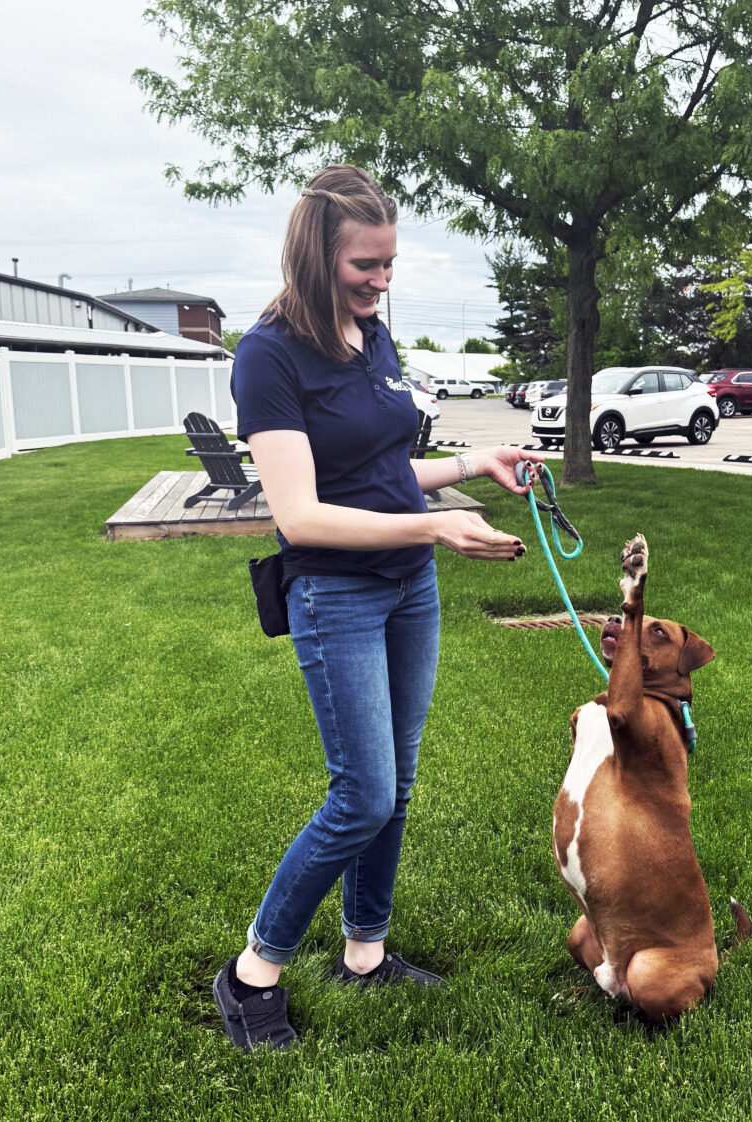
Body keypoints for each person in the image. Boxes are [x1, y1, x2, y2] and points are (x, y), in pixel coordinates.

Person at [212, 164, 543, 1052]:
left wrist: (477, 466)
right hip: (337, 592)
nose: (381, 280)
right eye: (367, 264)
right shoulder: (270, 355)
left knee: (394, 785)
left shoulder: (373, 338)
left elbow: (386, 470)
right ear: (316, 253)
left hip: (408, 590)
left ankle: (365, 953)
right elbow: (300, 512)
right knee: (358, 795)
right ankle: (252, 974)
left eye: (391, 264)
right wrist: (434, 529)